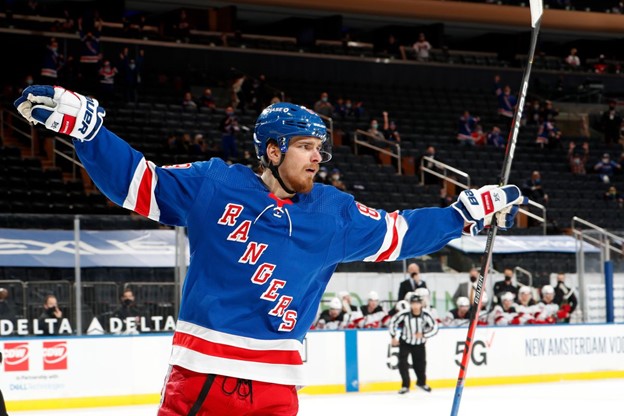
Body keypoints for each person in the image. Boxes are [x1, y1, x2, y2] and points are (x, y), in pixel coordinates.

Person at [14, 85, 525, 415]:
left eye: (321, 148)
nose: (318, 157)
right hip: (206, 379)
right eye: (307, 146)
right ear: (273, 150)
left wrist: (463, 213)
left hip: (279, 390)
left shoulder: (332, 212)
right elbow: (138, 182)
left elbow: (399, 233)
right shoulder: (215, 185)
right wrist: (89, 131)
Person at [389, 294, 438, 394]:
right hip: (405, 342)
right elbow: (393, 322)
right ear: (410, 304)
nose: (415, 306)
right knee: (402, 363)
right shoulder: (405, 314)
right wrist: (393, 336)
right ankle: (405, 385)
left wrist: (424, 334)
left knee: (420, 364)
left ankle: (421, 382)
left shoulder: (426, 314)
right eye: (413, 303)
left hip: (419, 344)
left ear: (421, 304)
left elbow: (435, 327)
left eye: (417, 303)